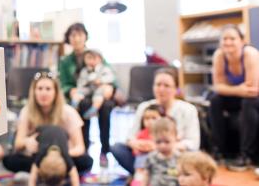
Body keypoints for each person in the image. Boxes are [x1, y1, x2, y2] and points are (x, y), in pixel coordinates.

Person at [111, 67, 199, 175]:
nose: (161, 89)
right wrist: (137, 143)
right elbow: (130, 137)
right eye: (158, 85)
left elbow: (193, 143)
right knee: (118, 148)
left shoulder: (188, 109)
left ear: (176, 88)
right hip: (145, 155)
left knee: (191, 157)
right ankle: (145, 175)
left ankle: (161, 174)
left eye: (166, 86)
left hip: (174, 155)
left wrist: (160, 146)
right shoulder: (144, 107)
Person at [2, 71, 93, 174]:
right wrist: (27, 142)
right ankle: (51, 173)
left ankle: (45, 172)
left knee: (86, 161)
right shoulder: (26, 111)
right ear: (34, 91)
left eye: (48, 89)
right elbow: (18, 144)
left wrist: (61, 154)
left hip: (62, 157)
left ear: (56, 92)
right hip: (36, 157)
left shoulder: (69, 112)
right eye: (40, 88)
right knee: (9, 160)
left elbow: (80, 147)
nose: (43, 93)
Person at [59, 23, 115, 164]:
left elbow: (110, 75)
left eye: (80, 35)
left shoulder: (95, 54)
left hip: (98, 94)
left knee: (106, 107)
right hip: (80, 95)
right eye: (73, 35)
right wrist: (70, 90)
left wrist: (109, 87)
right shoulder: (65, 61)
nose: (77, 39)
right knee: (82, 105)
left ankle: (104, 151)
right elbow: (64, 84)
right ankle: (83, 148)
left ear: (85, 37)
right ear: (68, 38)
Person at [208, 24, 259, 170]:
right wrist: (238, 89)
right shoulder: (219, 55)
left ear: (242, 41)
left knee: (248, 103)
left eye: (232, 38)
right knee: (215, 100)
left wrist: (229, 89)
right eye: (224, 39)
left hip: (254, 98)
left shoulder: (250, 54)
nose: (228, 42)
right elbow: (217, 87)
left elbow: (252, 90)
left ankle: (246, 155)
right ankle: (219, 151)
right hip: (238, 95)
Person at [74, 49, 116, 119]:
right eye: (88, 58)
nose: (91, 61)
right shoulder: (84, 70)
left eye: (94, 58)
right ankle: (74, 105)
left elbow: (111, 77)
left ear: (100, 59)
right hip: (88, 88)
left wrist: (101, 81)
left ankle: (93, 109)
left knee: (98, 96)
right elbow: (80, 82)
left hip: (99, 88)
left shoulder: (104, 69)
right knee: (78, 93)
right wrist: (85, 83)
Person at [129, 104, 164, 184]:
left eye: (154, 118)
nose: (150, 121)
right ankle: (138, 179)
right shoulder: (141, 133)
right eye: (147, 118)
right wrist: (139, 148)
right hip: (141, 165)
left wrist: (154, 147)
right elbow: (135, 149)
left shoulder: (163, 134)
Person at [140, 117, 180, 186]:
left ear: (176, 138)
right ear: (152, 139)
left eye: (167, 142)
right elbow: (146, 175)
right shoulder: (151, 157)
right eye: (158, 142)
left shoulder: (179, 158)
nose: (162, 146)